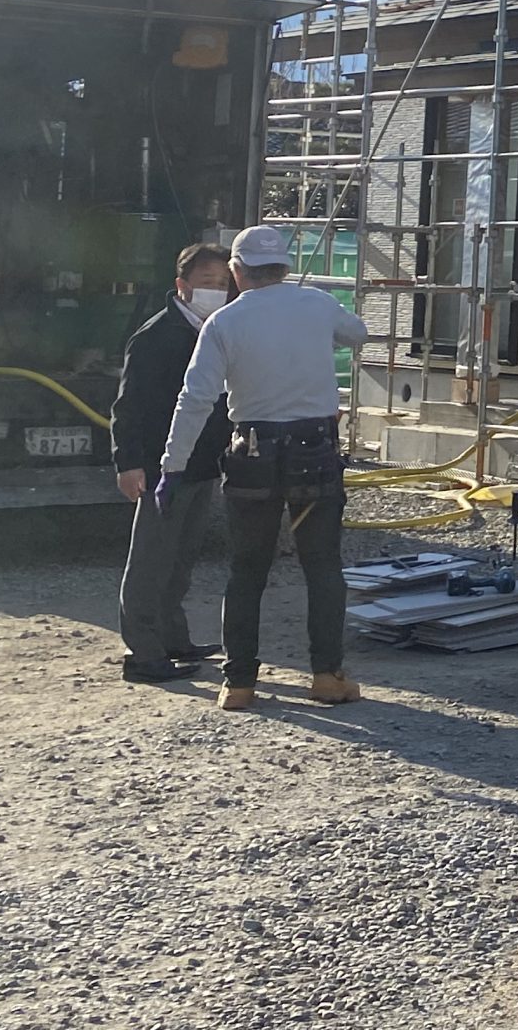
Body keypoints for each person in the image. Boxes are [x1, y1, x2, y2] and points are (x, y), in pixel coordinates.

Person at [157, 222, 370, 711]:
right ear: (285, 268)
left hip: (252, 454)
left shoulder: (224, 323)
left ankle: (239, 683)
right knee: (322, 566)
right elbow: (357, 333)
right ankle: (328, 676)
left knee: (247, 570)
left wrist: (173, 465)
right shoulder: (317, 304)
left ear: (237, 271)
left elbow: (195, 399)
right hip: (314, 451)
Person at [109, 244, 237, 684]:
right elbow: (129, 406)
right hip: (162, 466)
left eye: (223, 283)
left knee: (181, 558)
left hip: (202, 465)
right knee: (151, 560)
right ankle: (143, 654)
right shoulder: (156, 335)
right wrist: (129, 462)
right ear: (182, 285)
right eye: (207, 282)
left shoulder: (215, 330)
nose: (216, 290)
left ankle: (172, 638)